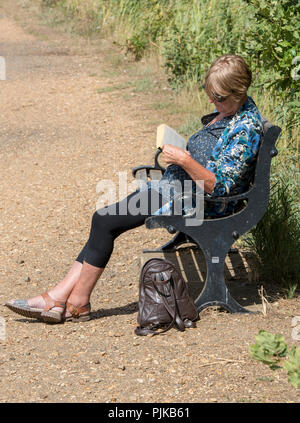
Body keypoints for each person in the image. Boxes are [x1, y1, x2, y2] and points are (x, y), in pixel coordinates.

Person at [5, 54, 263, 323]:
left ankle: (74, 301)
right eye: (209, 94)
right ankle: (60, 299)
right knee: (104, 220)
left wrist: (184, 160)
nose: (213, 101)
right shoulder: (231, 111)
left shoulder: (245, 128)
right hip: (177, 188)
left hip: (194, 200)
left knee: (104, 221)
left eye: (219, 97)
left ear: (239, 92)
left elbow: (219, 187)